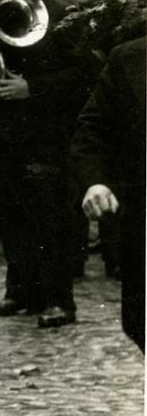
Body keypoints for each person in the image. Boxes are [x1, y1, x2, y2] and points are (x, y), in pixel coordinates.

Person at [0, 0, 96, 329]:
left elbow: (86, 76)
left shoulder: (66, 18)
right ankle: (20, 292)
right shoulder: (0, 13)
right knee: (12, 214)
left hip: (50, 136)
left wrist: (32, 87)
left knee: (50, 218)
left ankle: (58, 300)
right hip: (10, 134)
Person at [71, 36, 146, 350]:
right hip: (142, 219)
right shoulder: (127, 59)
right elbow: (92, 130)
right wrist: (96, 182)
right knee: (140, 322)